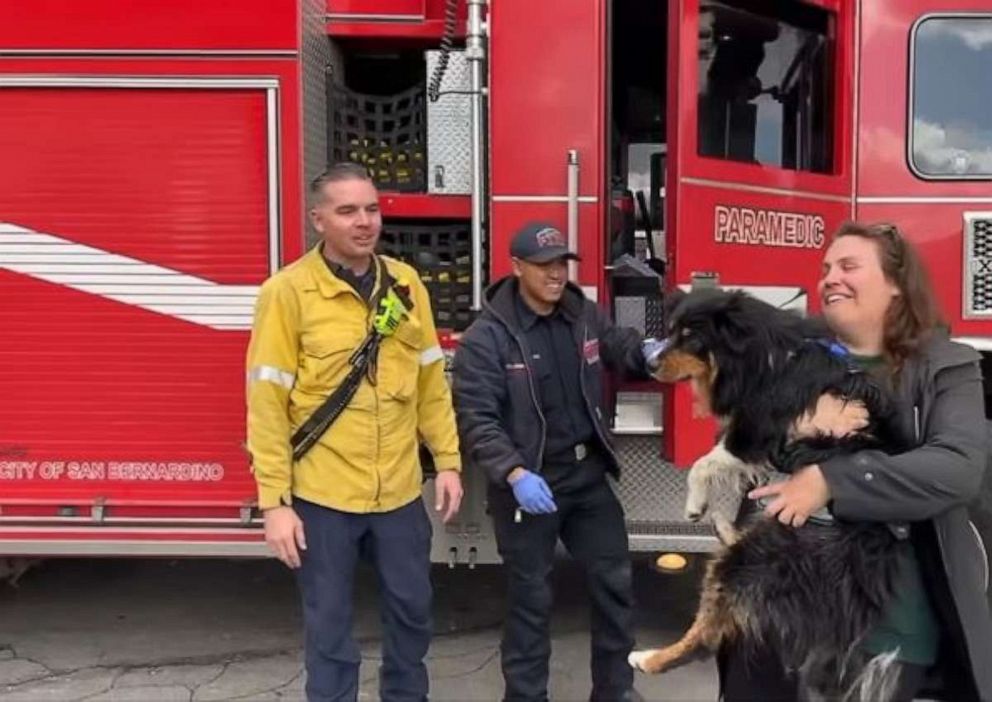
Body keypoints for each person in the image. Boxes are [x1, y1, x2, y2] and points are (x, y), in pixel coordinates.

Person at [721, 222, 992, 701]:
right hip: (776, 612)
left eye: (848, 266)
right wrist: (791, 426)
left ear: (895, 285)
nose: (830, 278)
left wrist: (831, 480)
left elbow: (957, 467)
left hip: (883, 626)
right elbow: (745, 441)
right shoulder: (793, 360)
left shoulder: (948, 367)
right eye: (826, 269)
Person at [246, 162, 464, 702]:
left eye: (371, 209)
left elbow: (430, 380)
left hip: (396, 491)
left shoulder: (405, 284)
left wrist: (450, 460)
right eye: (347, 211)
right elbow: (267, 404)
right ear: (319, 219)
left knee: (412, 617)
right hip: (323, 495)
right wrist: (275, 503)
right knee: (330, 633)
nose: (364, 222)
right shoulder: (288, 293)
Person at [452, 222, 656, 702]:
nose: (556, 274)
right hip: (530, 484)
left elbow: (617, 345)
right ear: (517, 267)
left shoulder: (582, 313)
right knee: (531, 601)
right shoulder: (489, 338)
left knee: (615, 586)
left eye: (562, 263)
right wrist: (515, 472)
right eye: (544, 265)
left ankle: (615, 691)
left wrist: (650, 351)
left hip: (586, 479)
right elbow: (476, 418)